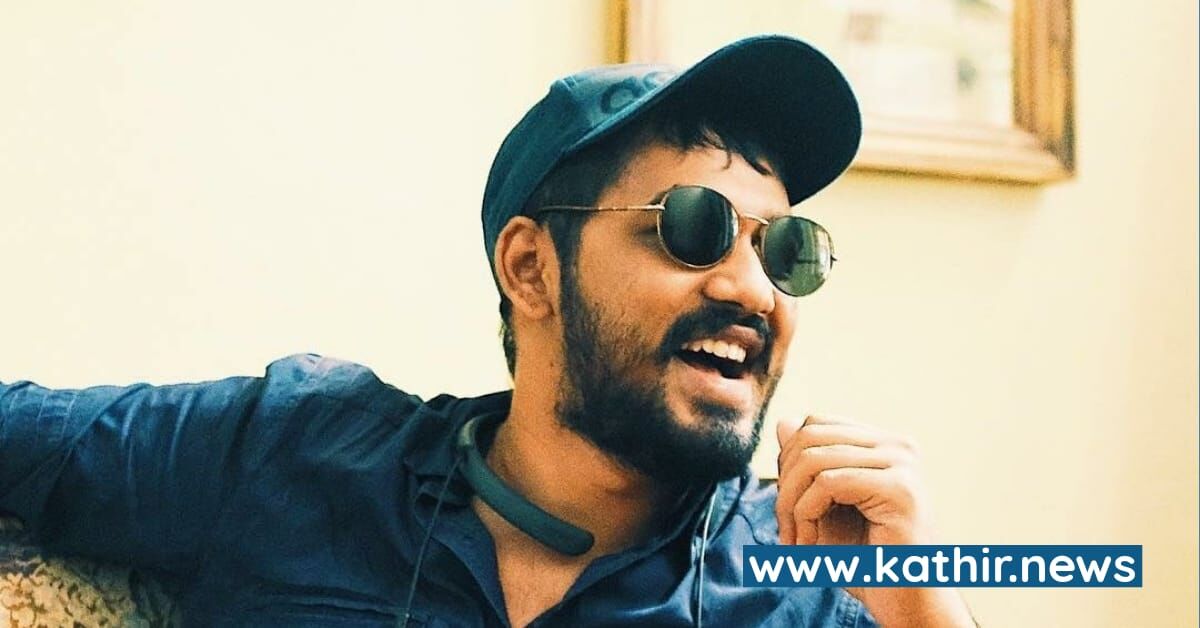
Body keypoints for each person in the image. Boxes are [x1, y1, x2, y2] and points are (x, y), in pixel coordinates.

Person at [0, 35, 975, 627]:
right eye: (692, 227)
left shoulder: (812, 579)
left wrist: (924, 605)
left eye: (785, 249)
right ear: (530, 268)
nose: (751, 288)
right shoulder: (291, 449)